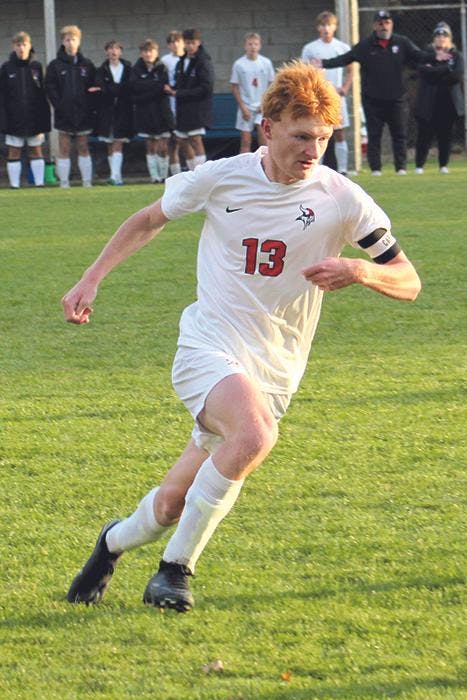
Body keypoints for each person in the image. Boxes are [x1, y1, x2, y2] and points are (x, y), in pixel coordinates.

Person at [63, 62, 422, 612]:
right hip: (208, 346)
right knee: (254, 437)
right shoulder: (221, 176)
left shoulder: (342, 197)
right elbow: (148, 219)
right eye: (302, 136)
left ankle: (110, 543)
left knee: (170, 506)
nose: (313, 150)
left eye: (324, 139)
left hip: (275, 370)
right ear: (268, 127)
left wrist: (360, 272)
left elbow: (409, 279)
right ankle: (172, 574)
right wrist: (91, 278)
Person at [314, 10, 431, 176]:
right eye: (380, 23)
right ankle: (376, 169)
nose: (384, 26)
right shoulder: (366, 45)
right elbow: (346, 58)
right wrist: (324, 63)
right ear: (375, 25)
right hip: (373, 99)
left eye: (387, 22)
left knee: (399, 134)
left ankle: (401, 168)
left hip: (397, 98)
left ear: (391, 24)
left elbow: (419, 55)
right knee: (374, 135)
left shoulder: (401, 42)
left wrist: (435, 57)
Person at [45, 25, 100, 187]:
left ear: (79, 41)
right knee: (64, 148)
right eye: (67, 40)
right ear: (63, 42)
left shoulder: (87, 64)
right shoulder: (55, 65)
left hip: (83, 113)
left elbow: (94, 86)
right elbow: (50, 88)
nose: (70, 43)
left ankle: (86, 182)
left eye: (73, 39)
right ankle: (64, 183)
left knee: (83, 147)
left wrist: (89, 104)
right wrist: (60, 106)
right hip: (64, 113)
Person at [301, 11, 353, 174]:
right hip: (317, 98)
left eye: (329, 25)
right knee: (316, 133)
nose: (326, 28)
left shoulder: (342, 47)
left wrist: (345, 87)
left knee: (339, 133)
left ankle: (343, 170)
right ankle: (316, 169)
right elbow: (304, 71)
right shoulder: (310, 48)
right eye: (323, 25)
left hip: (336, 98)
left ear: (335, 27)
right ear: (318, 28)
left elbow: (351, 70)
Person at [0, 31, 50, 188]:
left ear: (30, 46)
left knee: (36, 150)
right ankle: (14, 185)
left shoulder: (36, 67)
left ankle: (39, 184)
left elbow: (43, 93)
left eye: (24, 45)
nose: (21, 48)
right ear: (13, 47)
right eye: (18, 45)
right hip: (14, 118)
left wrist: (43, 118)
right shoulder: (6, 68)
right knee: (14, 151)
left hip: (34, 117)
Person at [413, 22, 463, 175]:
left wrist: (436, 71)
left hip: (447, 102)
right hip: (428, 102)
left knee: (445, 135)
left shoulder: (456, 56)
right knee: (424, 135)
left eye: (444, 35)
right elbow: (423, 72)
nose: (441, 38)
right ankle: (419, 166)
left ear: (449, 38)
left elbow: (456, 76)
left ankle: (443, 165)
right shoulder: (427, 54)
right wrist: (445, 69)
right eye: (438, 35)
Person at [131, 39, 174, 183]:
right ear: (141, 53)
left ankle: (164, 176)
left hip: (162, 112)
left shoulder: (162, 68)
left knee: (163, 146)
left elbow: (164, 87)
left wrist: (149, 87)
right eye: (145, 51)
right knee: (150, 145)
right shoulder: (136, 69)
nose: (148, 54)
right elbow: (135, 89)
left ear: (156, 52)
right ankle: (154, 176)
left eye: (151, 51)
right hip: (145, 112)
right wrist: (155, 87)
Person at [173, 28, 213, 172]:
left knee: (196, 140)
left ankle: (202, 174)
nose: (190, 46)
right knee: (183, 141)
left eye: (193, 43)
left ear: (198, 43)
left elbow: (206, 87)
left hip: (197, 108)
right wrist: (172, 90)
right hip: (183, 109)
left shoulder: (203, 61)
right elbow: (180, 83)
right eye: (187, 43)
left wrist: (180, 93)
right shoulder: (182, 61)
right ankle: (193, 173)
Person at [95, 40, 133, 186]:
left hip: (123, 111)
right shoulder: (102, 69)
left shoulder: (128, 68)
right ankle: (114, 176)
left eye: (116, 48)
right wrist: (113, 89)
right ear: (106, 52)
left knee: (118, 142)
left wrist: (113, 89)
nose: (113, 51)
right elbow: (101, 88)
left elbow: (129, 88)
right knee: (109, 143)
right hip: (107, 111)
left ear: (121, 51)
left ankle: (116, 176)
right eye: (110, 48)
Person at [230, 32, 274, 154]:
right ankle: (244, 170)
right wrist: (243, 107)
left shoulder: (266, 63)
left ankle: (265, 169)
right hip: (246, 107)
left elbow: (272, 85)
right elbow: (234, 87)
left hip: (262, 107)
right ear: (245, 46)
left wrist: (265, 103)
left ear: (260, 46)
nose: (252, 47)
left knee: (264, 140)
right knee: (245, 141)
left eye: (255, 44)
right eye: (250, 44)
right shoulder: (239, 64)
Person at [161, 31, 185, 175]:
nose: (175, 45)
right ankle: (175, 174)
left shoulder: (188, 60)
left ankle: (194, 172)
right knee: (172, 142)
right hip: (169, 103)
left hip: (184, 103)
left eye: (177, 41)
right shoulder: (165, 60)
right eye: (171, 42)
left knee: (186, 141)